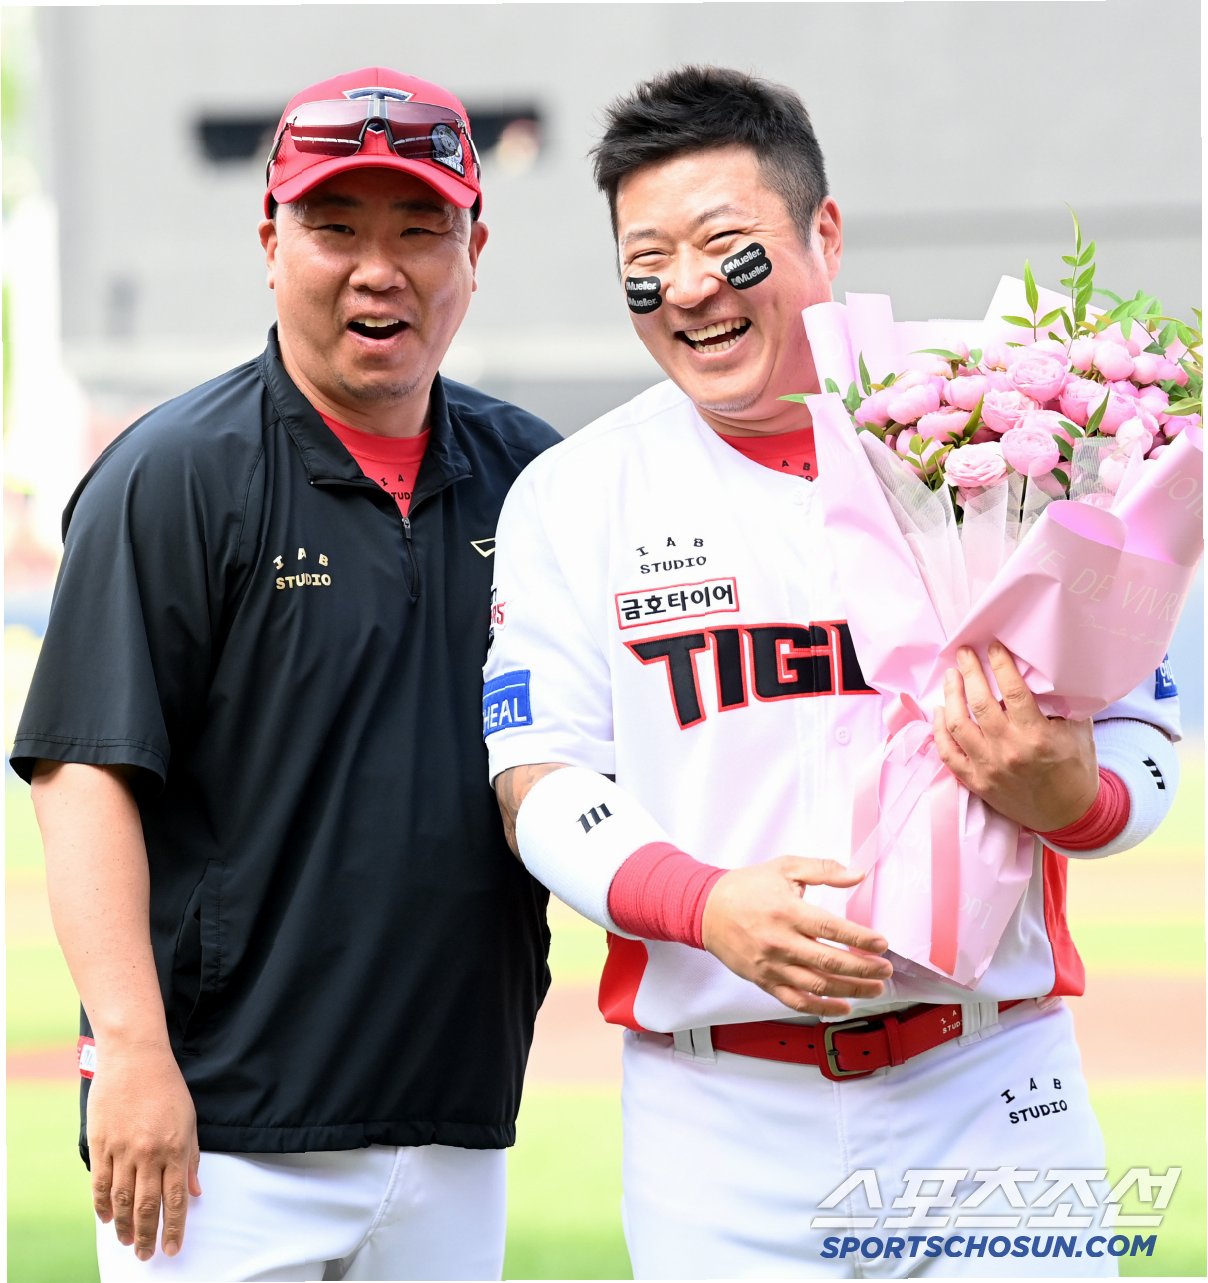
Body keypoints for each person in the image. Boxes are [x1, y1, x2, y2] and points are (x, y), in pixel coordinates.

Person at [483, 66, 1182, 1279]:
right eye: (646, 261)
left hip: (989, 1081)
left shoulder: (1009, 429)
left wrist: (1073, 795)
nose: (687, 288)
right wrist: (704, 903)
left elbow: (1143, 737)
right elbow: (537, 780)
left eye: (725, 244)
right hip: (718, 1113)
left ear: (825, 231)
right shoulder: (576, 491)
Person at [11, 66, 560, 1282]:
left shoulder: (535, 478)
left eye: (419, 229)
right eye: (335, 228)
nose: (379, 268)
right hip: (220, 1143)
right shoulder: (173, 473)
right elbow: (83, 774)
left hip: (453, 1119)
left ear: (473, 251)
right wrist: (130, 1053)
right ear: (271, 243)